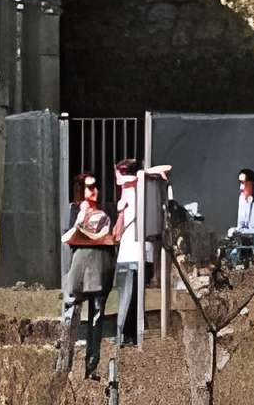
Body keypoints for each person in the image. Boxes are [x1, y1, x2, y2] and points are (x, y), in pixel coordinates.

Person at [109, 155, 171, 352]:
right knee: (133, 298)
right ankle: (130, 335)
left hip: (132, 254)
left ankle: (124, 336)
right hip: (141, 254)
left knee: (129, 298)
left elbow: (118, 230)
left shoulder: (134, 190)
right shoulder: (137, 190)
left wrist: (144, 174)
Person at [57, 173, 116, 378]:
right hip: (78, 267)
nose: (95, 191)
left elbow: (107, 237)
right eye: (90, 188)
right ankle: (63, 365)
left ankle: (92, 366)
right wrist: (81, 219)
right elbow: (67, 237)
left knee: (97, 315)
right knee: (70, 313)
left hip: (99, 267)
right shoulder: (74, 210)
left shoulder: (104, 214)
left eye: (95, 187)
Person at [224, 166, 254, 263]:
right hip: (246, 238)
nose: (241, 187)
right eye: (240, 183)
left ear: (253, 184)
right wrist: (236, 231)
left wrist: (245, 233)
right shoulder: (242, 198)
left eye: (244, 183)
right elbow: (241, 223)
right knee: (230, 251)